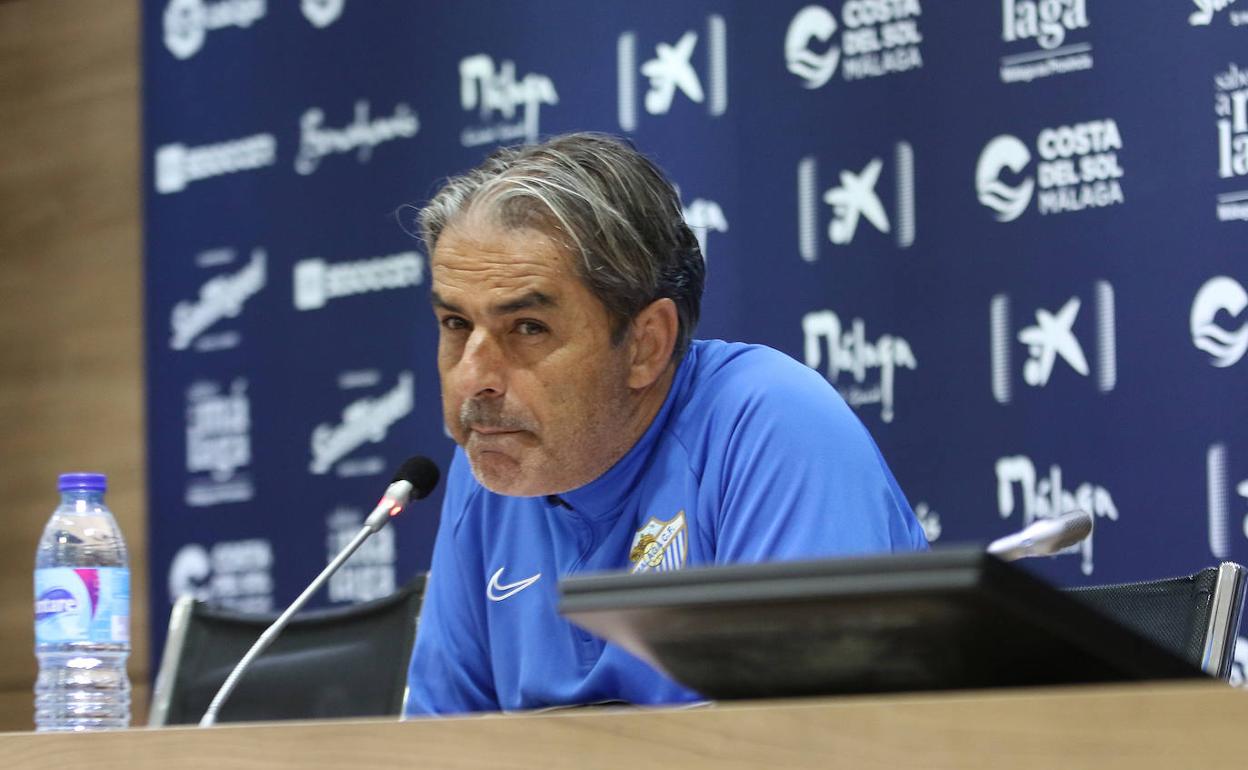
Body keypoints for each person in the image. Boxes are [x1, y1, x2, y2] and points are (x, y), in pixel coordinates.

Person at [403, 133, 927, 716]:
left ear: (647, 345)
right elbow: (438, 743)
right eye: (455, 323)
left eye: (527, 328)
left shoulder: (769, 423)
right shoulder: (490, 467)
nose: (474, 378)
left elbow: (809, 741)